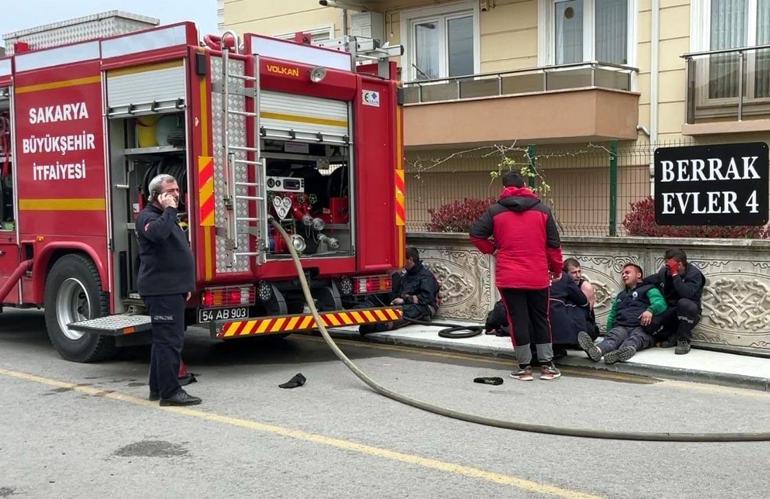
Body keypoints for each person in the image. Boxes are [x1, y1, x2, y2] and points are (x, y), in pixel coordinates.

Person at [470, 170, 563, 381]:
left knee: (517, 319)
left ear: (504, 188)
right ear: (525, 186)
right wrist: (556, 269)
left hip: (509, 276)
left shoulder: (495, 211)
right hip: (537, 274)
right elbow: (553, 246)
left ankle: (524, 368)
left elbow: (476, 234)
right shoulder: (543, 210)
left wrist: (493, 249)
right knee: (541, 318)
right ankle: (547, 366)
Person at [136, 174, 202, 406]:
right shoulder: (148, 217)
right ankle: (170, 392)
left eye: (176, 190)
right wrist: (170, 210)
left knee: (162, 341)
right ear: (157, 195)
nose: (176, 194)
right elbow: (157, 234)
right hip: (161, 291)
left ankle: (157, 388)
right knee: (169, 342)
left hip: (172, 289)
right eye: (170, 191)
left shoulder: (166, 217)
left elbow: (175, 251)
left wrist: (185, 286)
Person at [577, 263, 667, 364]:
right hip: (622, 326)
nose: (624, 275)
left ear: (638, 275)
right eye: (623, 274)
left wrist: (650, 310)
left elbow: (661, 304)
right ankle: (597, 351)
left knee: (636, 339)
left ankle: (620, 353)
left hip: (642, 327)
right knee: (612, 339)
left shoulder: (649, 289)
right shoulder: (621, 295)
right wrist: (609, 332)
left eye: (627, 273)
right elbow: (612, 315)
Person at [359, 246, 439, 334]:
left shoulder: (426, 276)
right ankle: (364, 309)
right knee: (392, 281)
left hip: (424, 307)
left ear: (410, 259)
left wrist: (404, 300)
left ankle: (381, 325)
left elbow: (427, 298)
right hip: (406, 304)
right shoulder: (407, 275)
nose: (400, 262)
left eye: (402, 259)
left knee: (402, 311)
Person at [642, 248, 705, 355]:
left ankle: (683, 340)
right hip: (671, 310)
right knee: (648, 324)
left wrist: (675, 274)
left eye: (669, 265)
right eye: (666, 264)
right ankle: (672, 336)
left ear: (679, 264)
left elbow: (687, 293)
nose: (666, 267)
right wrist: (637, 282)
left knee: (684, 303)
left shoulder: (694, 274)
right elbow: (653, 280)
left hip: (688, 312)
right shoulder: (665, 272)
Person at [562, 258, 599, 338]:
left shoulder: (586, 287)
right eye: (574, 273)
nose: (578, 276)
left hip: (583, 323)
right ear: (565, 274)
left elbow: (586, 313)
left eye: (579, 271)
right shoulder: (561, 285)